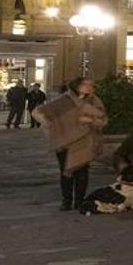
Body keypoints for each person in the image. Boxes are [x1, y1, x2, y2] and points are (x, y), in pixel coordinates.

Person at [41, 77, 107, 211]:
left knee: (82, 171)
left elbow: (103, 120)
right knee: (66, 171)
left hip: (84, 141)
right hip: (64, 142)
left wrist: (91, 121)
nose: (90, 87)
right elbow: (47, 116)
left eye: (91, 85)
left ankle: (79, 200)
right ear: (77, 86)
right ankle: (66, 200)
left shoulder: (94, 101)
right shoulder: (63, 101)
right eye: (86, 84)